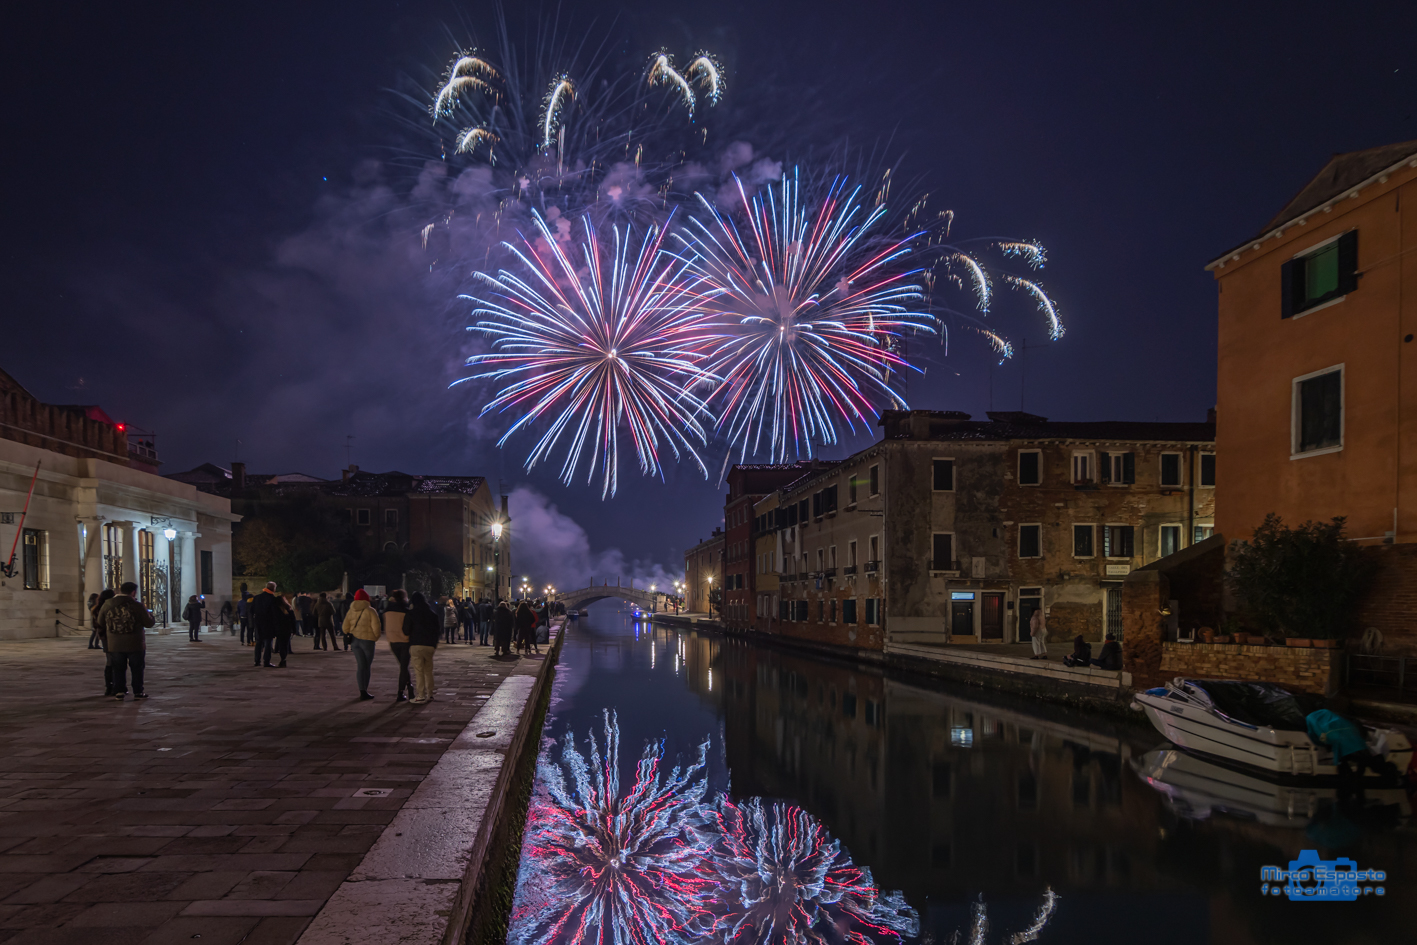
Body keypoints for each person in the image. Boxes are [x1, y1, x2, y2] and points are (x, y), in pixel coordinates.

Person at [96, 581, 155, 699]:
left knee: (118, 668)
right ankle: (138, 692)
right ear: (133, 592)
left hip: (115, 643)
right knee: (137, 668)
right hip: (135, 643)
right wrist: (150, 616)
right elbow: (148, 623)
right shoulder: (137, 605)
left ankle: (119, 691)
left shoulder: (107, 604)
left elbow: (100, 622)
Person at [342, 588, 382, 699]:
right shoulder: (370, 611)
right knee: (367, 666)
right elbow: (376, 627)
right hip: (368, 641)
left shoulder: (351, 610)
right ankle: (365, 690)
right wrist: (374, 638)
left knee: (360, 666)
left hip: (355, 641)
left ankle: (362, 690)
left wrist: (351, 632)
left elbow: (345, 627)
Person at [406, 591, 440, 704]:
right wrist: (434, 644)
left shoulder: (411, 613)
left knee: (419, 670)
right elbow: (437, 631)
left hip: (416, 644)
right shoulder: (432, 614)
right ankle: (430, 694)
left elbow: (405, 630)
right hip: (429, 645)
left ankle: (421, 695)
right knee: (428, 670)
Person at [383, 589, 412, 702]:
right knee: (404, 667)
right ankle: (401, 692)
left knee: (403, 665)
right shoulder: (406, 611)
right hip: (405, 640)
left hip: (392, 640)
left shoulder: (387, 611)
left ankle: (410, 686)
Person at [251, 582, 282, 667]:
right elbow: (275, 614)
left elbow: (251, 610)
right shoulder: (272, 599)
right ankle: (266, 661)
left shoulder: (257, 598)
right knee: (268, 643)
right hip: (269, 624)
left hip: (258, 623)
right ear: (274, 589)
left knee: (258, 642)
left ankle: (257, 661)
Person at [92, 588, 116, 694]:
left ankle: (109, 686)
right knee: (115, 661)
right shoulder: (110, 608)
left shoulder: (96, 609)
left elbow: (96, 624)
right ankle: (114, 685)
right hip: (112, 636)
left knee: (109, 660)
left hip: (104, 637)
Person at [275, 593, 297, 667]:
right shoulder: (288, 608)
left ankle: (283, 659)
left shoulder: (276, 609)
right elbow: (293, 620)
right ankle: (283, 658)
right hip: (287, 629)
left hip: (279, 629)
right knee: (285, 644)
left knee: (281, 645)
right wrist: (294, 630)